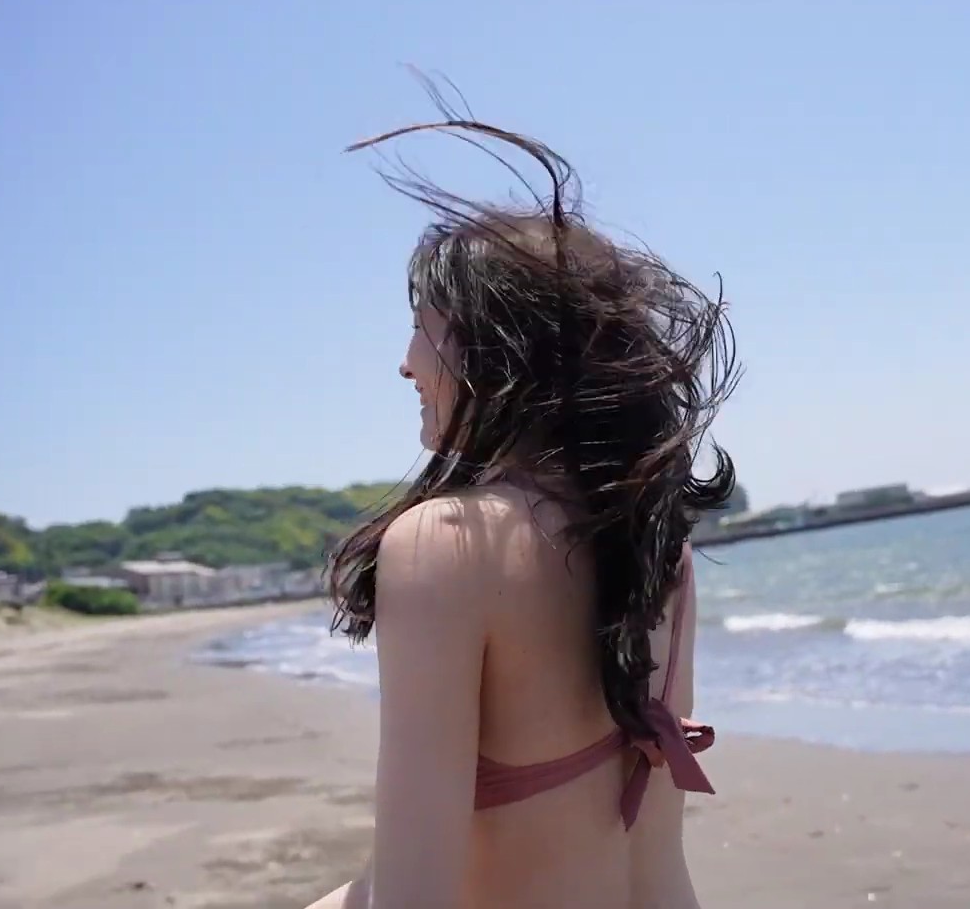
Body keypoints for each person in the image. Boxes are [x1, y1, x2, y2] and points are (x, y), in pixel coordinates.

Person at [305, 116, 740, 909]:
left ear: (495, 351)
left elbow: (413, 897)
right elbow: (657, 863)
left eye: (423, 328)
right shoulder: (656, 547)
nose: (405, 363)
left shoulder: (449, 544)